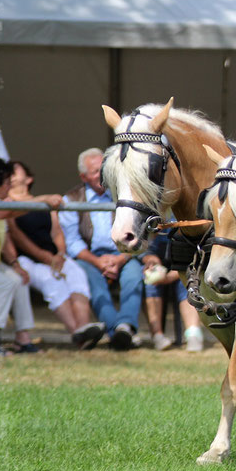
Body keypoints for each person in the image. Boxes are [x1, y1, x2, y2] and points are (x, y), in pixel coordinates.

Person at [6, 160, 105, 349]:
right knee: (52, 283)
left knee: (77, 276)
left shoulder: (45, 203)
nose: (10, 176)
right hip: (26, 259)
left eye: (14, 172)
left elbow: (57, 231)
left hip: (53, 256)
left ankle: (83, 328)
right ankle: (77, 332)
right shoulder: (8, 205)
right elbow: (17, 236)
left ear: (29, 179)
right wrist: (43, 256)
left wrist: (60, 253)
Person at [58, 147, 144, 350]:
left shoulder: (124, 194)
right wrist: (98, 262)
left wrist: (120, 259)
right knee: (94, 287)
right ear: (83, 176)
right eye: (96, 171)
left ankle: (124, 326)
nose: (102, 175)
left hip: (124, 252)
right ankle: (120, 333)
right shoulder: (70, 199)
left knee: (134, 278)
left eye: (104, 169)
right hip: (89, 257)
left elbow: (137, 230)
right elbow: (72, 242)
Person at [0, 158, 38, 355]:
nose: (9, 189)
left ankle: (23, 337)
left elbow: (3, 240)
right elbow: (6, 212)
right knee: (6, 282)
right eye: (7, 184)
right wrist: (44, 201)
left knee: (18, 279)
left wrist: (15, 264)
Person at [142, 229, 205, 352]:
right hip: (156, 263)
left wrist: (173, 275)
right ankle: (157, 336)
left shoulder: (184, 219)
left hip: (185, 263)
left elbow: (195, 253)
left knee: (187, 284)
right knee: (150, 284)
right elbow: (141, 249)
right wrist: (150, 259)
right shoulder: (151, 216)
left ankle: (193, 334)